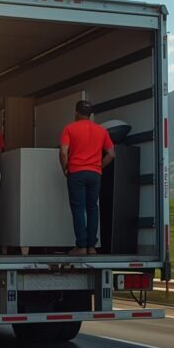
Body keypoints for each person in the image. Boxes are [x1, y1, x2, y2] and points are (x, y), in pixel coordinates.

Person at [59, 100, 115, 256]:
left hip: (76, 172)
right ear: (91, 115)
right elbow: (111, 154)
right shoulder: (102, 131)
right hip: (95, 174)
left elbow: (63, 152)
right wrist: (98, 166)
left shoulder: (69, 128)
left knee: (78, 209)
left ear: (76, 112)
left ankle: (81, 246)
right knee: (92, 208)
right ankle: (92, 247)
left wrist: (65, 168)